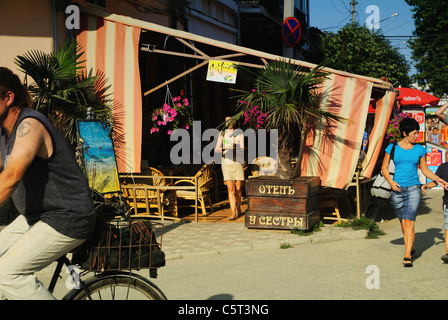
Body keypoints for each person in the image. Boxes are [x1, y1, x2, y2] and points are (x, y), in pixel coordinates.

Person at [0, 67, 96, 299]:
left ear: (8, 97)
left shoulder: (29, 125)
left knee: (7, 273)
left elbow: (11, 176)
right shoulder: (3, 132)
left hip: (68, 217)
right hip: (37, 216)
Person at [381, 117, 448, 267]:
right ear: (405, 133)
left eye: (418, 133)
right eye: (415, 133)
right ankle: (410, 246)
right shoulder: (392, 147)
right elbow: (384, 167)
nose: (417, 136)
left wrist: (439, 179)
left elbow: (424, 170)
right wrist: (391, 183)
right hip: (397, 189)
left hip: (413, 189)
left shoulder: (419, 149)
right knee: (403, 223)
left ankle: (407, 256)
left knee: (409, 221)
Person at [215, 116, 245, 220]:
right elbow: (216, 149)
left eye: (231, 120)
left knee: (238, 189)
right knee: (230, 189)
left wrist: (235, 149)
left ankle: (239, 207)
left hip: (237, 162)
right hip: (226, 163)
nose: (229, 122)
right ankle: (234, 212)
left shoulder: (239, 133)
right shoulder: (222, 133)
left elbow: (242, 149)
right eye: (227, 121)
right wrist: (219, 149)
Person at [422, 162, 448, 263]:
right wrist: (426, 185)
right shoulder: (443, 167)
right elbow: (436, 182)